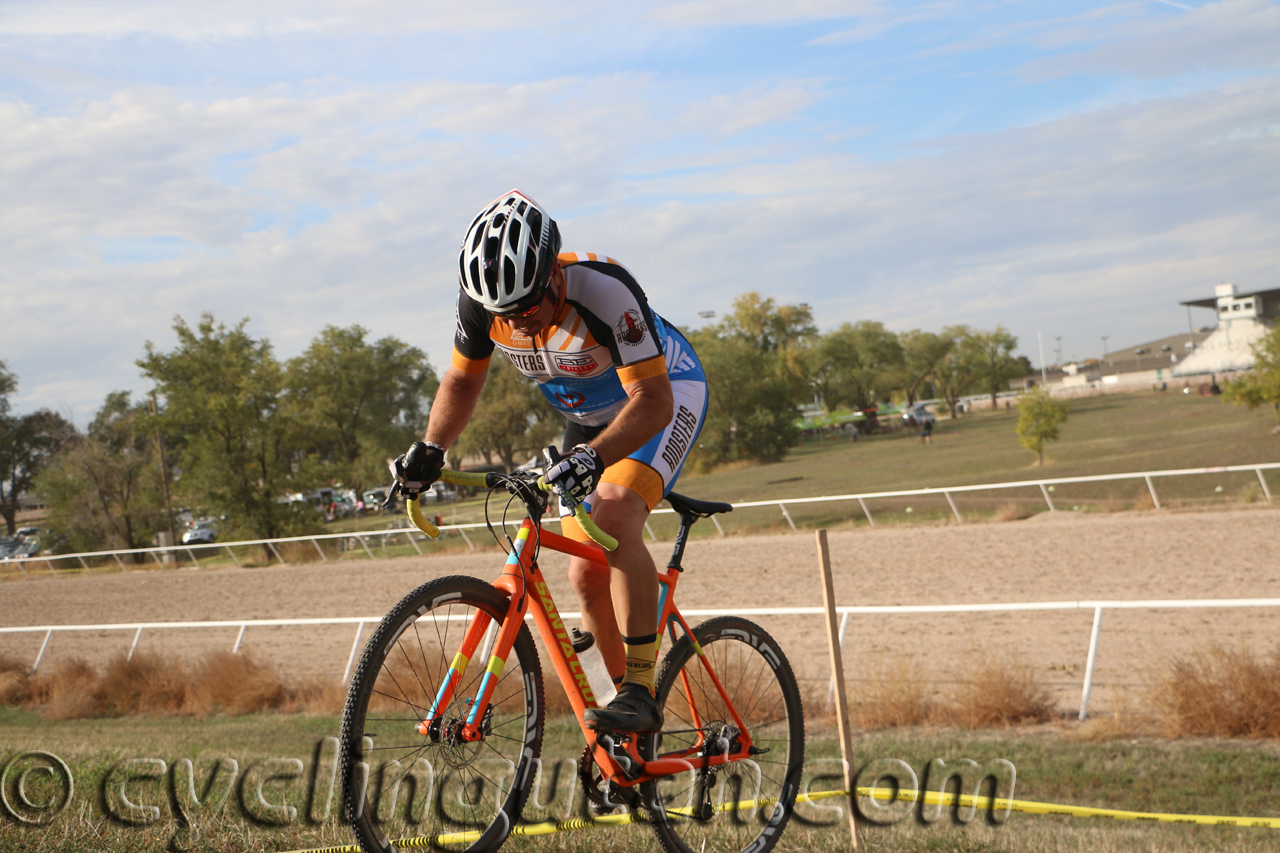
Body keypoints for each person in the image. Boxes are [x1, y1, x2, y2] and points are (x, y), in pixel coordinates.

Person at [390, 190, 707, 734]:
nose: (521, 322)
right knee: (584, 573)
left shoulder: (605, 290)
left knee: (611, 517)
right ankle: (624, 731)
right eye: (504, 314)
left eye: (529, 307)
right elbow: (464, 378)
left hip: (661, 397)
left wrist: (593, 457)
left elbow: (653, 403)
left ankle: (639, 689)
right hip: (587, 419)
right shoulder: (483, 304)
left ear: (553, 275)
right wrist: (432, 447)